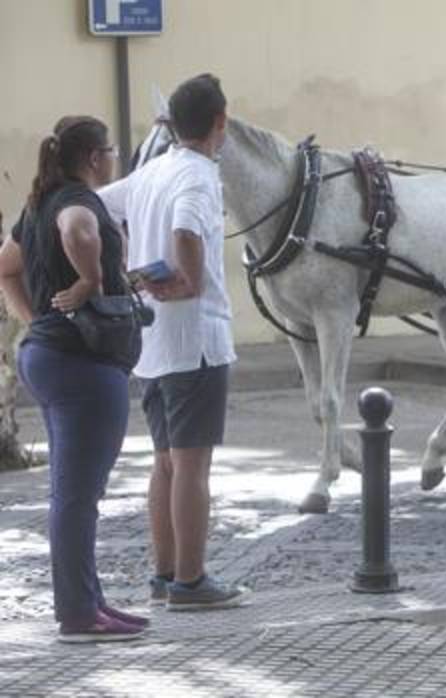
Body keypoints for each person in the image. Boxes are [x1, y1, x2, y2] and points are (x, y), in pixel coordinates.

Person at [99, 74, 245, 611]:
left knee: (163, 464)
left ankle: (163, 573)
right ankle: (191, 579)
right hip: (197, 341)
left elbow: (97, 208)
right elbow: (186, 228)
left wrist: (127, 272)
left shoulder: (150, 172)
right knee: (191, 467)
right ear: (219, 121)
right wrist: (188, 278)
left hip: (154, 345)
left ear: (170, 124)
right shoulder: (200, 175)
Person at [0, 116, 149, 642]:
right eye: (109, 150)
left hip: (48, 355)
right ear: (93, 157)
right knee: (77, 495)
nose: (113, 158)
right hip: (83, 365)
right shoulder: (75, 204)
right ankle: (79, 616)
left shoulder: (38, 203)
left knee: (71, 490)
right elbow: (79, 232)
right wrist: (89, 279)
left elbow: (5, 266)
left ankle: (87, 602)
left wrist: (34, 319)